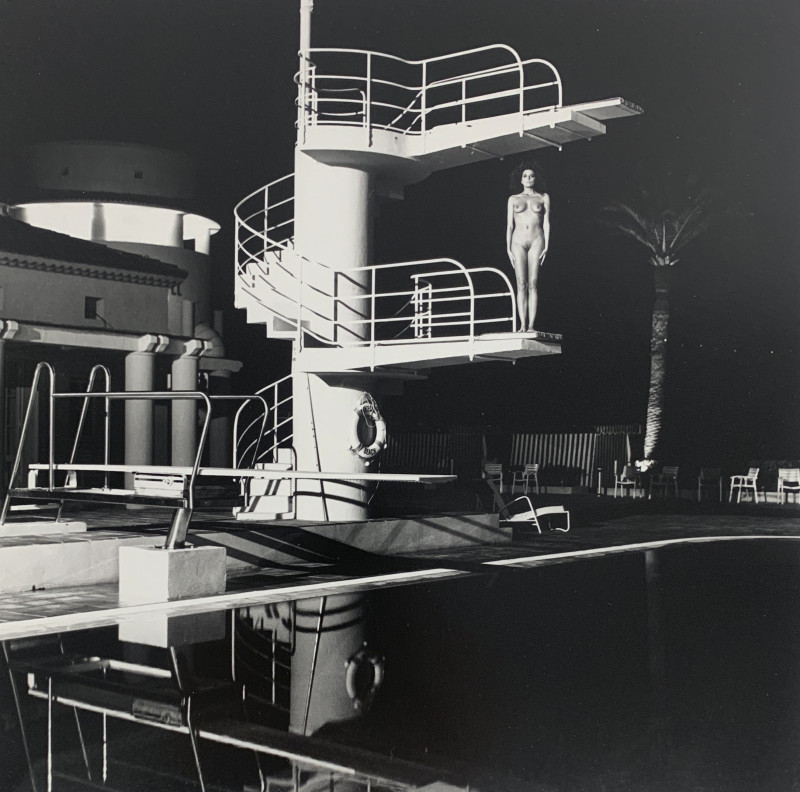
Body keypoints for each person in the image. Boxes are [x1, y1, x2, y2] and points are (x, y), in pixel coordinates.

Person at [506, 161, 550, 333]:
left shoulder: (543, 197)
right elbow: (509, 225)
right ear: (520, 179)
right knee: (521, 284)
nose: (528, 178)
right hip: (517, 241)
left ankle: (531, 325)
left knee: (533, 283)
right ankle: (522, 325)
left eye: (531, 175)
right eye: (525, 176)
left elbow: (546, 224)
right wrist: (508, 248)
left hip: (536, 240)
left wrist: (546, 245)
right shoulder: (513, 199)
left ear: (535, 178)